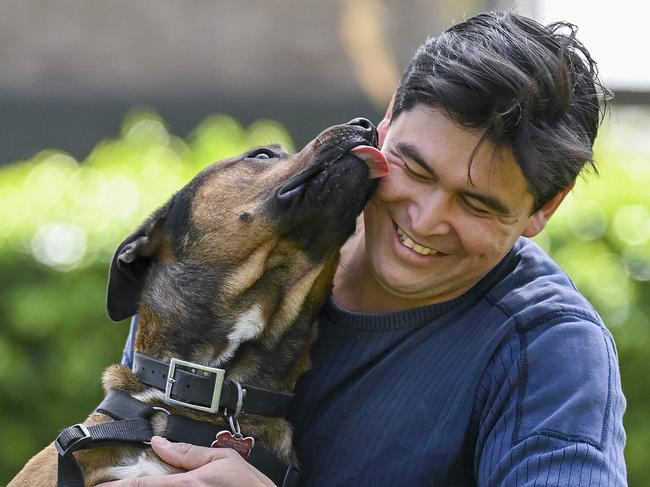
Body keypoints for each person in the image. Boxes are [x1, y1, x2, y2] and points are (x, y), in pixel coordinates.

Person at [98, 10, 627, 487]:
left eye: (476, 205)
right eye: (415, 169)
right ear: (390, 115)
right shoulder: (245, 255)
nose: (426, 220)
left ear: (544, 209)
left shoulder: (549, 350)